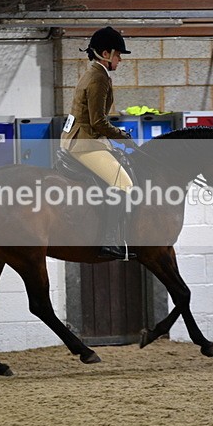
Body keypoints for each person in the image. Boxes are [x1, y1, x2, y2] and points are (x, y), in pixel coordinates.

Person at [60, 26, 137, 260]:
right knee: (125, 185)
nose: (120, 60)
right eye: (118, 55)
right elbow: (98, 121)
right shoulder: (99, 77)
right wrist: (123, 137)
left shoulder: (94, 72)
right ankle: (109, 240)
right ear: (106, 53)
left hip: (81, 138)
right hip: (85, 143)